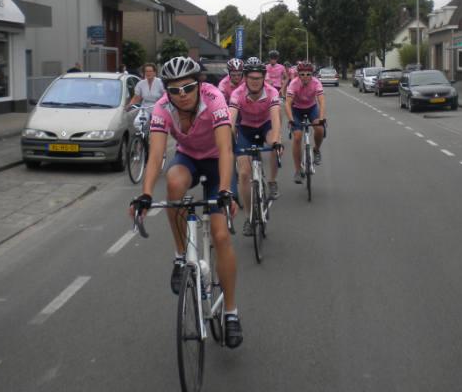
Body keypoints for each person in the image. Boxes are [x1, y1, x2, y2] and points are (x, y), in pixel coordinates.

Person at [128, 56, 243, 348]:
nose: (182, 95)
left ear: (199, 85)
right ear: (166, 91)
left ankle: (231, 312)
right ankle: (181, 255)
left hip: (217, 163)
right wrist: (146, 194)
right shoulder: (162, 107)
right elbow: (156, 155)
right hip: (189, 158)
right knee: (174, 182)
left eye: (188, 88)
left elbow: (225, 149)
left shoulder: (214, 99)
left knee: (220, 236)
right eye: (175, 90)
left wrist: (225, 190)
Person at [228, 58, 282, 236]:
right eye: (251, 78)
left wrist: (276, 140)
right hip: (246, 130)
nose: (255, 82)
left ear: (264, 78)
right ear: (245, 78)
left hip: (266, 126)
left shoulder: (271, 92)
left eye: (258, 78)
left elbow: (275, 118)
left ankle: (272, 181)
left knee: (274, 144)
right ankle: (249, 218)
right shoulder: (237, 93)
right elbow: (231, 120)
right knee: (244, 174)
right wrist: (228, 141)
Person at [285, 60, 327, 184]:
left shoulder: (316, 83)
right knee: (297, 137)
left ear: (312, 74)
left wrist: (322, 118)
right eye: (302, 74)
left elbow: (321, 101)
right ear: (298, 74)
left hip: (311, 108)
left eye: (308, 74)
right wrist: (291, 120)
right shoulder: (293, 84)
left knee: (319, 128)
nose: (305, 77)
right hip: (297, 110)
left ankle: (316, 150)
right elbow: (287, 104)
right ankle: (298, 170)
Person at [125, 62, 166, 133]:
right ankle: (141, 137)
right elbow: (136, 97)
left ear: (154, 73)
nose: (148, 73)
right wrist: (129, 105)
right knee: (137, 123)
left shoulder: (160, 82)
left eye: (150, 71)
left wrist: (164, 104)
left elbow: (165, 95)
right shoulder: (141, 84)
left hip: (158, 107)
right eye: (146, 71)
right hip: (145, 108)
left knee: (157, 126)